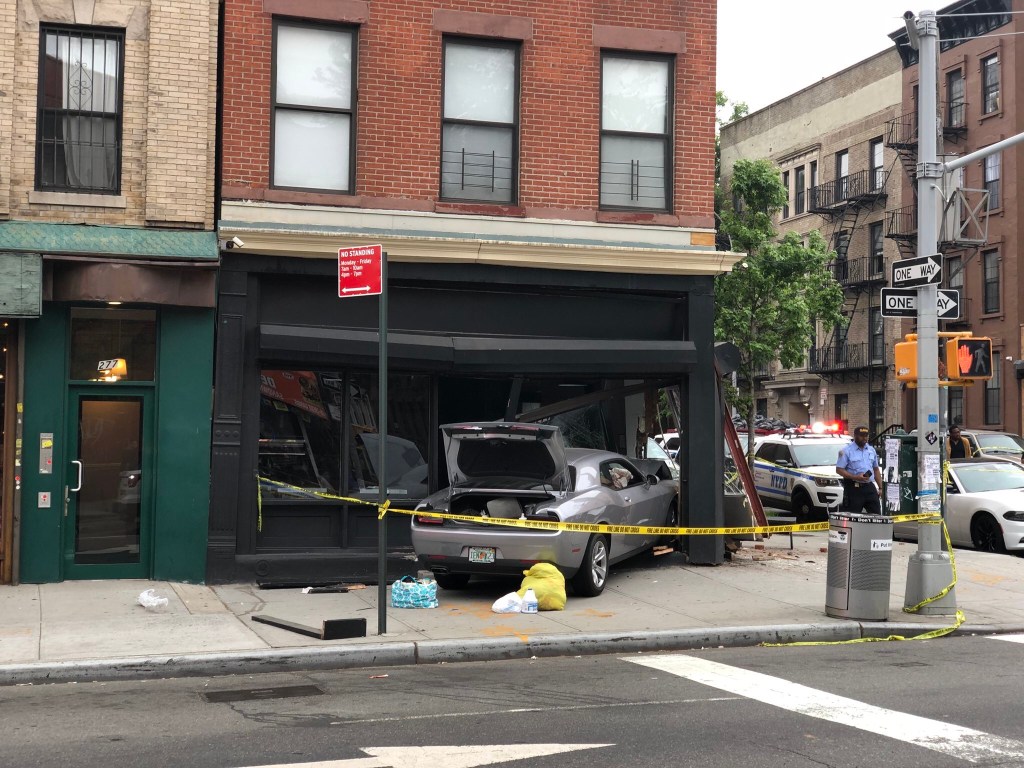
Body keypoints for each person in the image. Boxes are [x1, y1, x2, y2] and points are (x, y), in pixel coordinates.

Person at [836, 426, 883, 514]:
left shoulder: (871, 450)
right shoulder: (846, 451)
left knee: (876, 514)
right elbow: (839, 470)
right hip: (853, 488)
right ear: (855, 436)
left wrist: (880, 487)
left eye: (866, 435)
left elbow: (876, 469)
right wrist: (855, 477)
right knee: (852, 516)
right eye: (861, 436)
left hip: (869, 486)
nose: (864, 438)